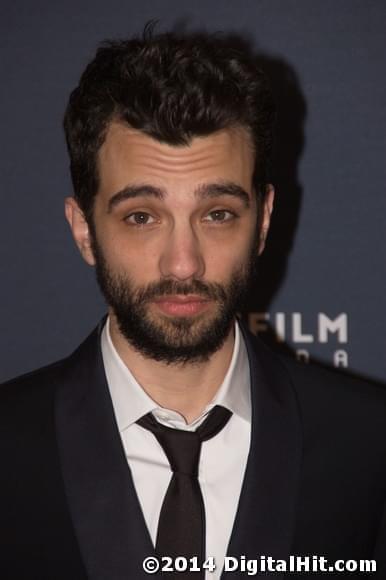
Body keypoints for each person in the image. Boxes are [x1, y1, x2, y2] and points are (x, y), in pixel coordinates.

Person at [1, 27, 386, 580]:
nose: (183, 264)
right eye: (141, 217)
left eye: (218, 214)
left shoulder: (369, 447)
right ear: (84, 230)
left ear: (264, 221)